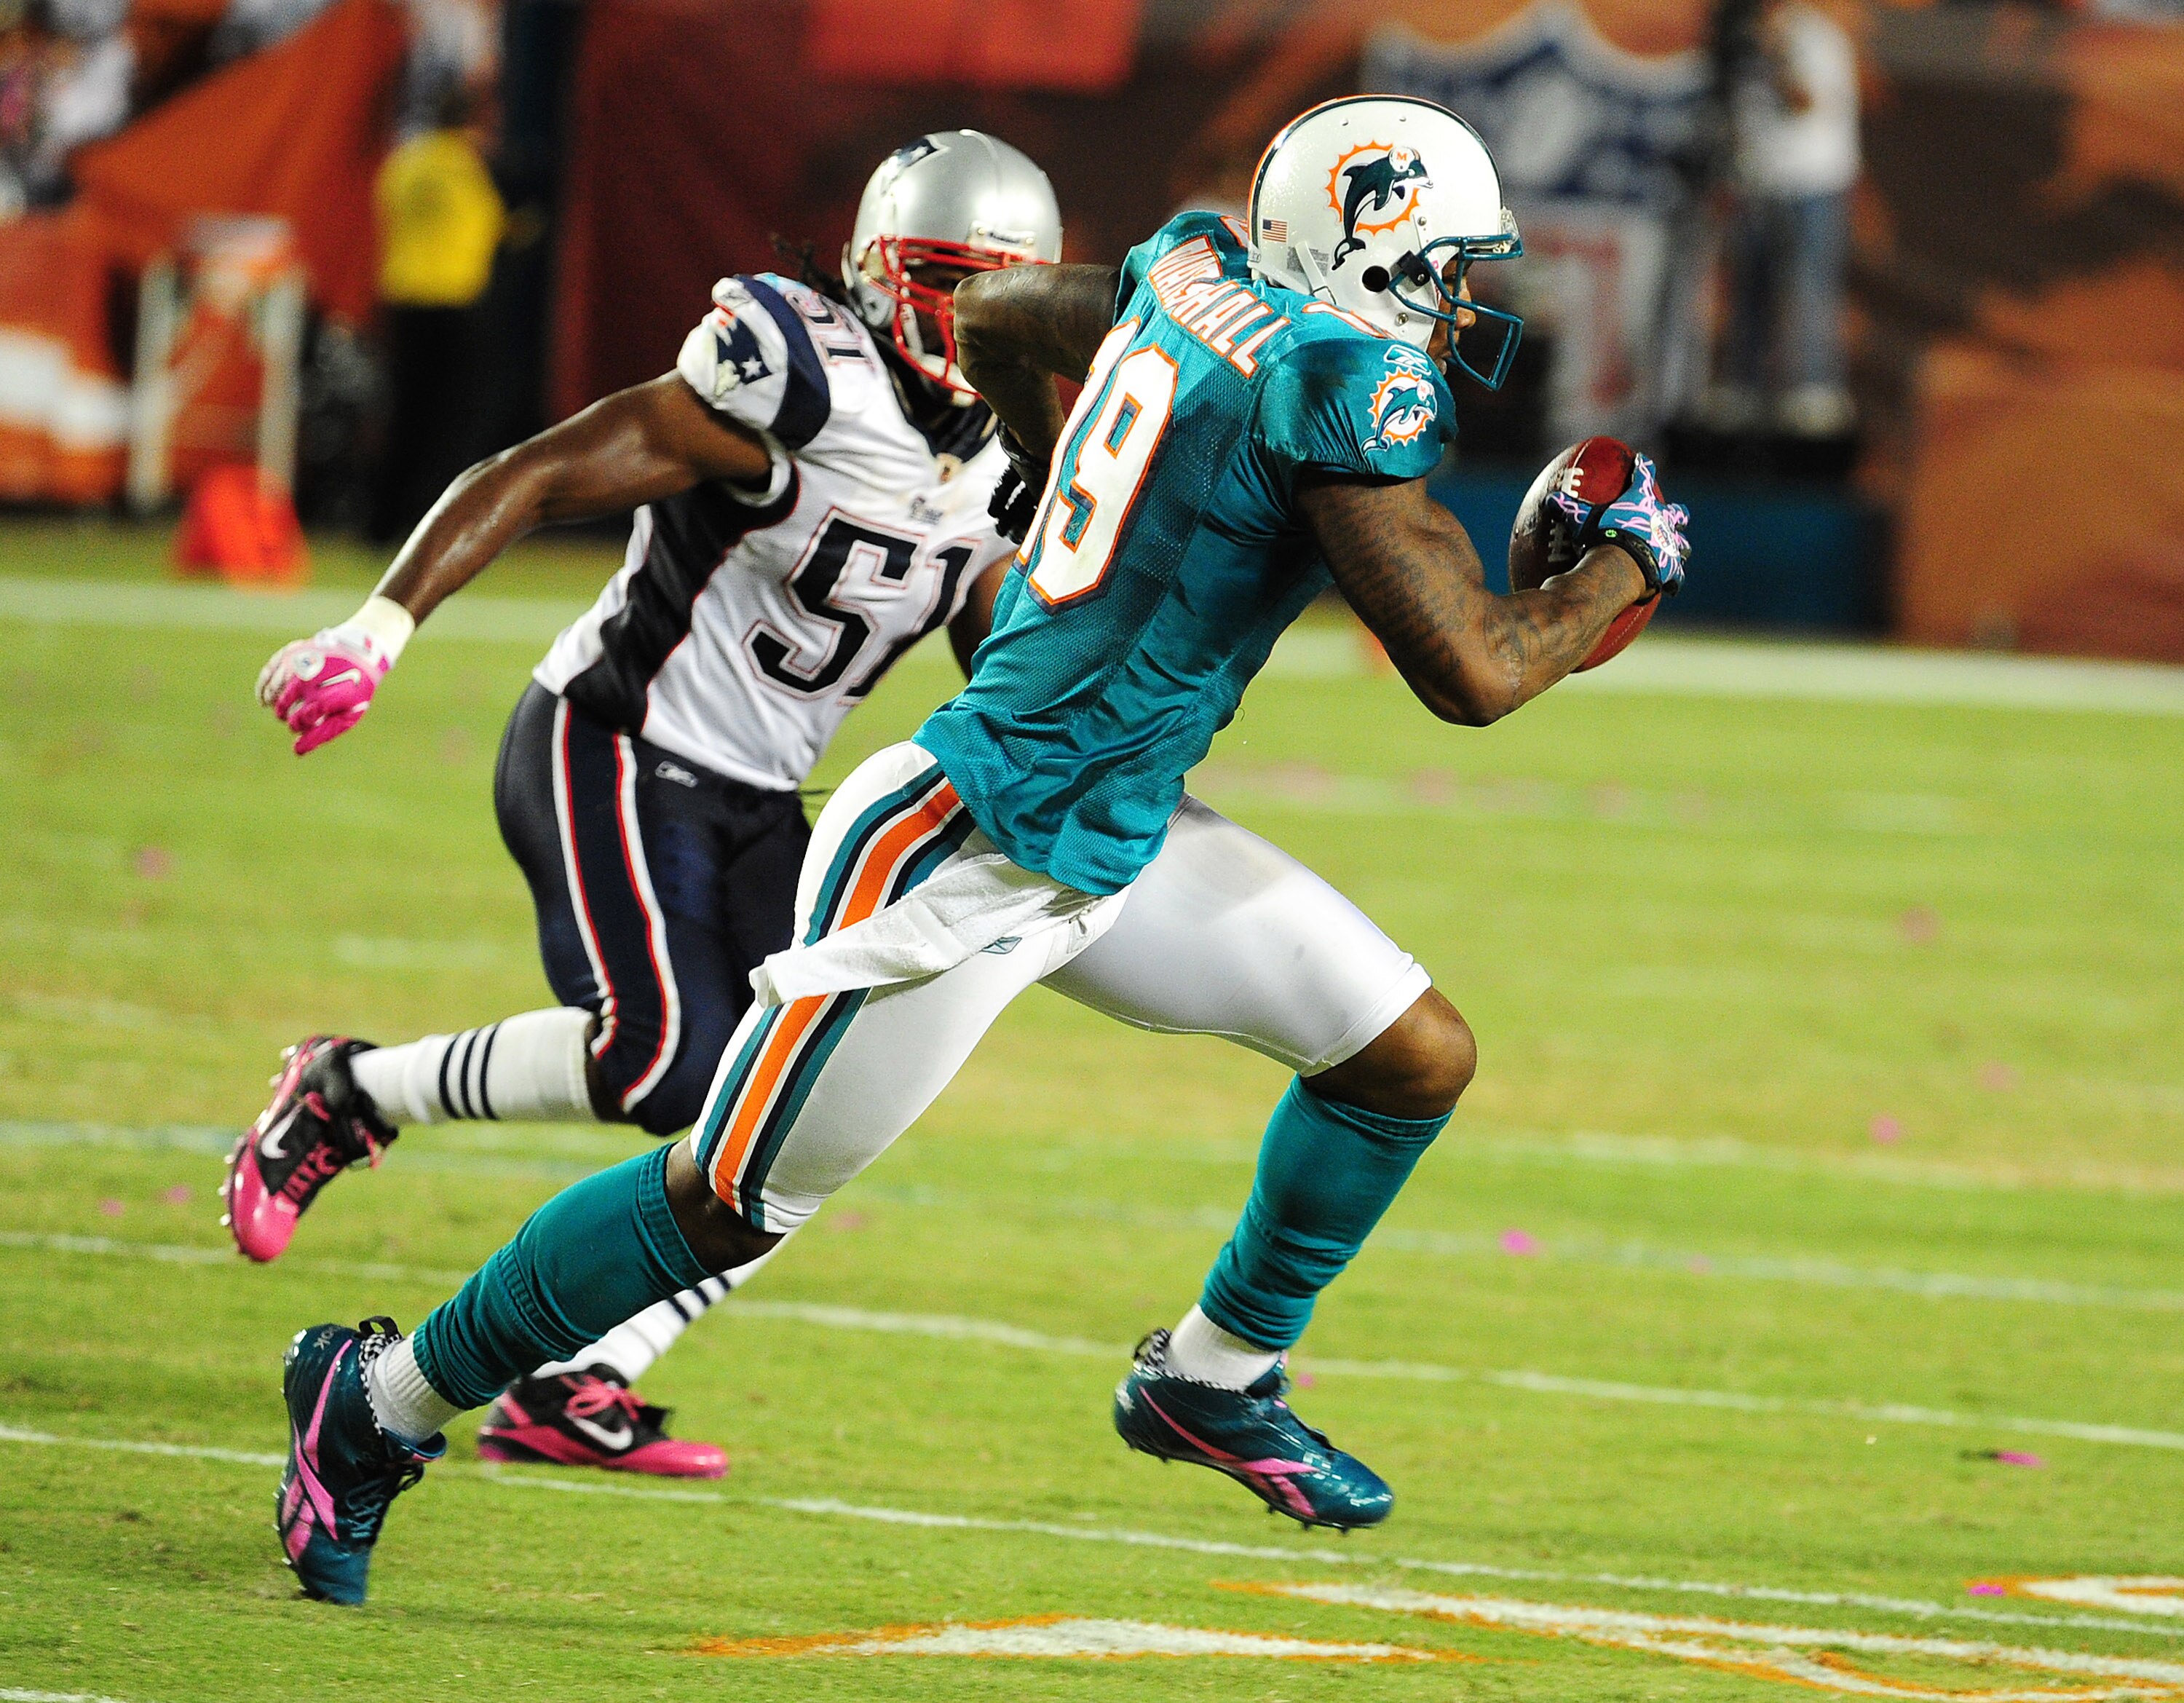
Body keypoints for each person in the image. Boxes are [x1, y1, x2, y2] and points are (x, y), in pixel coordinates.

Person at [268, 95, 1689, 1605]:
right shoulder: (1341, 382)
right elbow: (1472, 668)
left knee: (1409, 1053)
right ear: (1375, 248)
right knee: (722, 1199)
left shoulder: (1202, 269)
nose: (1464, 298)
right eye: (1448, 263)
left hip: (1111, 826)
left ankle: (1209, 1378)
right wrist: (1626, 565)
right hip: (969, 844)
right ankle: (376, 1401)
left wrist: (1068, 489)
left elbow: (1008, 315)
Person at [244, 131, 1058, 1492]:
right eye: (939, 281)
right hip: (613, 743)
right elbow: (547, 466)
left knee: (806, 1101)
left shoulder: (1015, 459)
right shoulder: (798, 376)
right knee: (668, 1063)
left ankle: (582, 1371)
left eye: (997, 292)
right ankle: (346, 1088)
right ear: (872, 271)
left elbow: (1002, 656)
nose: (966, 322)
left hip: (756, 796)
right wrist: (381, 624)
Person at [1712, 0, 1860, 437]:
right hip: (1759, 186)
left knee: (1810, 292)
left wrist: (1778, 54)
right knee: (1750, 291)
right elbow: (1742, 116)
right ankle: (1743, 391)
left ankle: (1813, 395)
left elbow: (1805, 102)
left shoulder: (1814, 40)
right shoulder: (1741, 43)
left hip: (1811, 187)